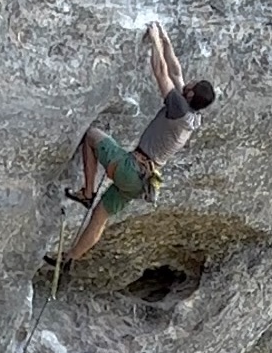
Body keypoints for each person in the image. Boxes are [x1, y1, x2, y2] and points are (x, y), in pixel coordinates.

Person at [65, 22, 217, 263]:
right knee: (100, 217)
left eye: (191, 86)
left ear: (189, 95)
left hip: (131, 168)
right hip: (142, 181)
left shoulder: (178, 108)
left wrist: (155, 41)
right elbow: (176, 72)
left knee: (92, 136)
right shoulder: (192, 115)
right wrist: (166, 40)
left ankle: (87, 191)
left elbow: (161, 72)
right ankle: (71, 257)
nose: (188, 83)